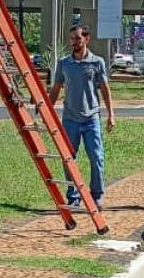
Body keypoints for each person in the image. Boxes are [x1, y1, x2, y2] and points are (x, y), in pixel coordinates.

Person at [47, 23, 116, 210]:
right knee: (68, 158)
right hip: (70, 118)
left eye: (78, 38)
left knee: (96, 157)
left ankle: (97, 196)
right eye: (72, 38)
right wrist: (47, 111)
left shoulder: (97, 62)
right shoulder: (64, 64)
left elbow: (105, 89)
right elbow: (55, 90)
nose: (74, 42)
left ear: (86, 39)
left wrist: (111, 115)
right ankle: (73, 196)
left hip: (91, 118)